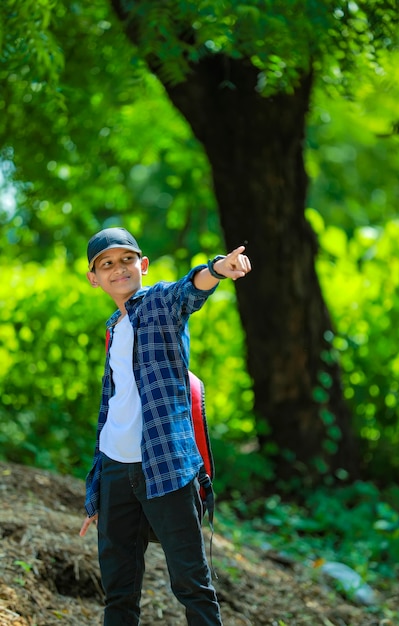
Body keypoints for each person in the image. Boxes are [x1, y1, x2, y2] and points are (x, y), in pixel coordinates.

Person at [79, 226, 251, 626]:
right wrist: (97, 487)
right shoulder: (112, 328)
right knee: (119, 593)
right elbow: (113, 410)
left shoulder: (158, 303)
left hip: (165, 466)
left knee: (192, 584)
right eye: (106, 264)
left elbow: (189, 289)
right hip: (116, 473)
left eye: (125, 260)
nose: (117, 269)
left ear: (143, 265)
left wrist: (219, 269)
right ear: (94, 278)